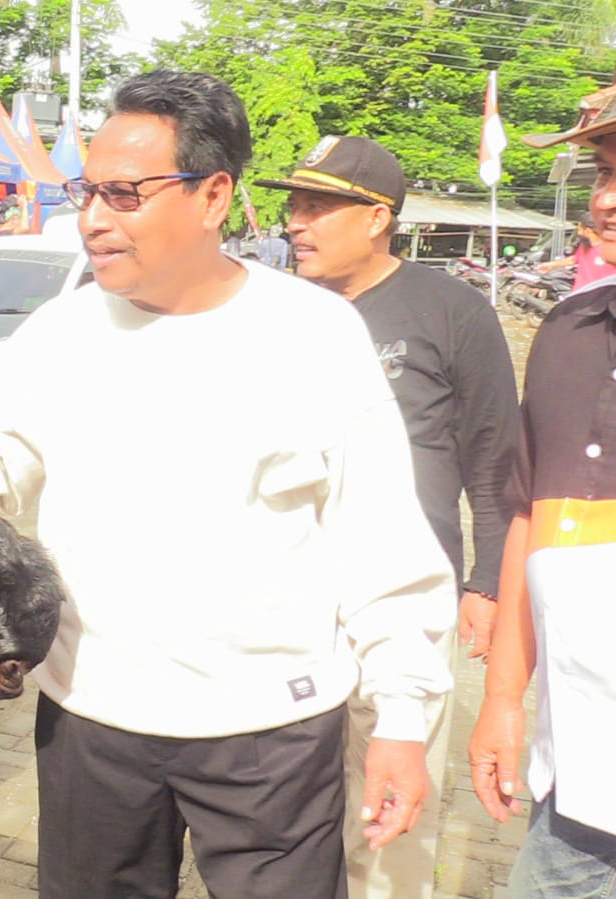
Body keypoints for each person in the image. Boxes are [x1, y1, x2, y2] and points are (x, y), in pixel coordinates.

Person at [0, 71, 456, 898]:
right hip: (93, 718)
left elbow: (380, 541)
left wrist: (401, 717)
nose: (94, 218)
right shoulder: (66, 329)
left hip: (268, 732)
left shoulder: (311, 335)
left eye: (124, 194)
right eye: (87, 191)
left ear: (212, 196)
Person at [258, 135, 520, 899]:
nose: (293, 224)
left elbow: (493, 455)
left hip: (405, 599)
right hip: (284, 601)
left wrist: (485, 583)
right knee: (283, 803)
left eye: (314, 207)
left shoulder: (450, 311)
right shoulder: (272, 311)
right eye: (291, 206)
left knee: (390, 803)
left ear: (376, 218)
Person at [469, 102, 616, 898]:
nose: (606, 198)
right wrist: (499, 699)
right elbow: (533, 519)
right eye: (602, 171)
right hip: (576, 777)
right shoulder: (565, 331)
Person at [537, 213, 612, 291]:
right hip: (580, 293)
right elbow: (575, 259)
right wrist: (552, 265)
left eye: (579, 229)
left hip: (601, 297)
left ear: (588, 230)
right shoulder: (585, 246)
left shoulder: (609, 249)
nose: (578, 232)